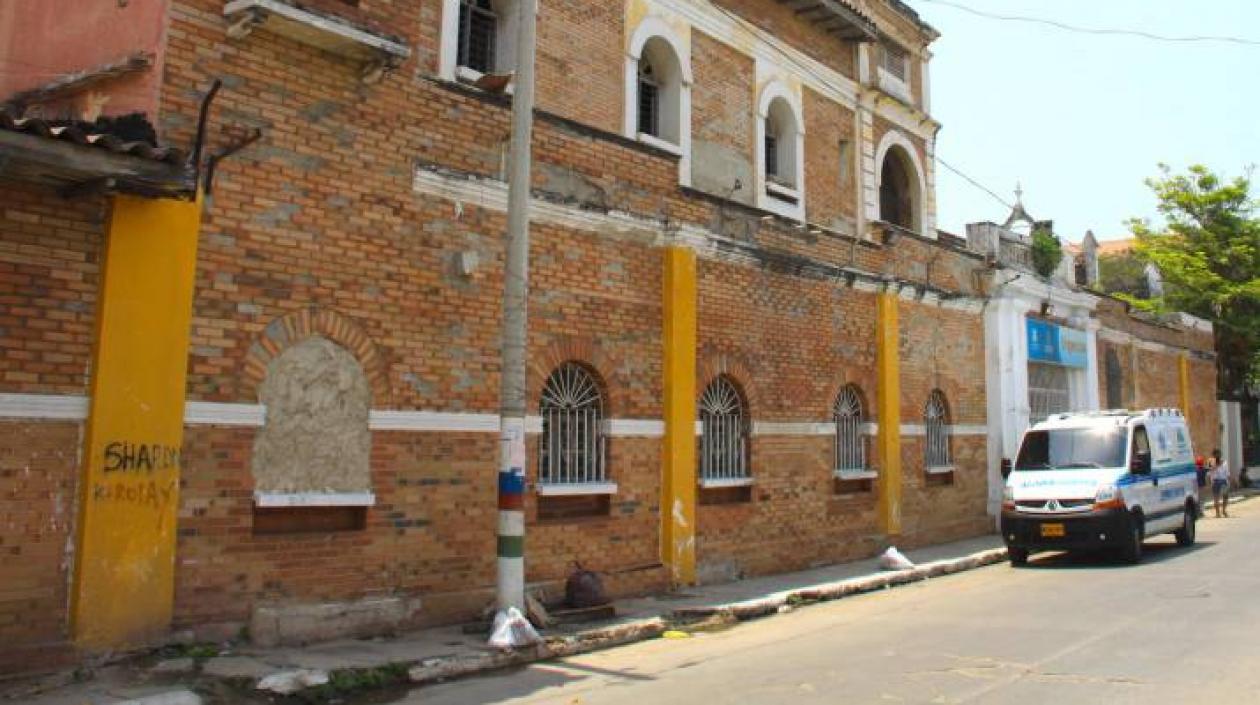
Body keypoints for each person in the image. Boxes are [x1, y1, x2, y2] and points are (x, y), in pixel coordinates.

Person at [1210, 449, 1230, 518]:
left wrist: (1211, 482)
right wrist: (1229, 481)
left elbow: (1210, 473)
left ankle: (1218, 513)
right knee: (1225, 497)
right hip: (1223, 481)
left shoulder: (1211, 463)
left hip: (1216, 482)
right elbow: (1227, 473)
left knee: (1216, 498)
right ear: (1220, 455)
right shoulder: (1224, 462)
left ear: (1213, 455)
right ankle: (1223, 511)